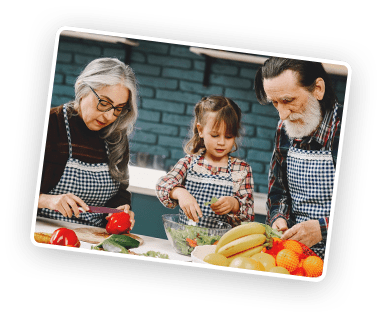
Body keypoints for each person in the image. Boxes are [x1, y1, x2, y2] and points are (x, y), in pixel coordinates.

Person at [254, 57, 343, 259]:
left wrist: (322, 228)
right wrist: (278, 217)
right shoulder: (284, 128)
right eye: (275, 103)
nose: (282, 115)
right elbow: (278, 190)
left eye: (288, 100)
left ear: (318, 89)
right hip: (293, 258)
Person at [38, 57, 138, 229]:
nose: (109, 116)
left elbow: (120, 193)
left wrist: (121, 211)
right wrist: (47, 200)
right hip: (42, 231)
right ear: (82, 88)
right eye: (104, 103)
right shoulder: (50, 125)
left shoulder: (116, 137)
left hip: (94, 237)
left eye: (118, 108)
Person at [156, 95, 255, 228]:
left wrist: (234, 204)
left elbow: (248, 217)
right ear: (201, 130)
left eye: (228, 136)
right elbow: (162, 185)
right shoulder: (189, 162)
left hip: (220, 246)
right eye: (215, 135)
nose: (221, 142)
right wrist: (180, 193)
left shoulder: (242, 170)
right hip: (186, 240)